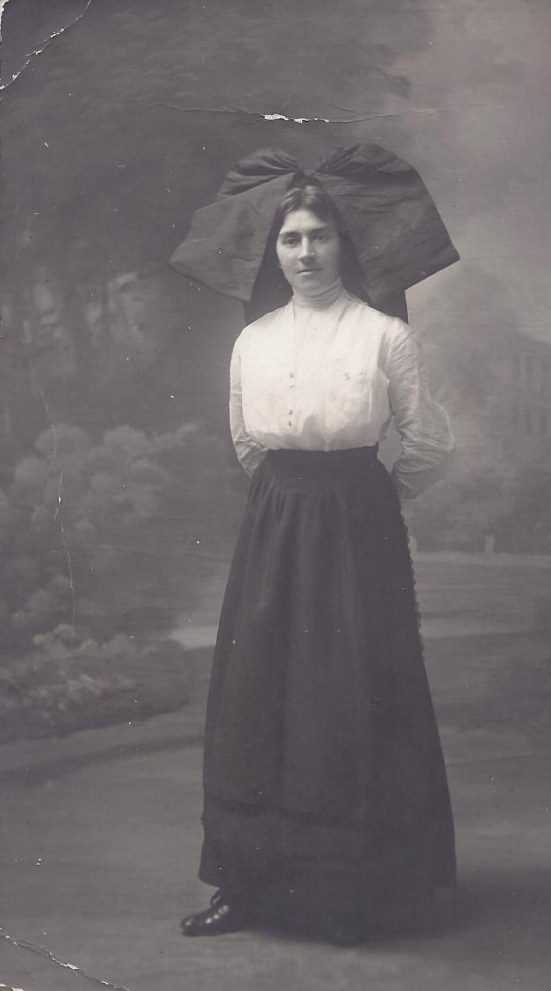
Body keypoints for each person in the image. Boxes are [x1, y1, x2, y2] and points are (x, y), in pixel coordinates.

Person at [177, 158, 457, 946]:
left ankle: (354, 893)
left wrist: (368, 503)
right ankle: (245, 884)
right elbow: (244, 441)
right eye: (291, 239)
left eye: (320, 236)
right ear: (275, 253)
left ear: (345, 244)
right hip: (275, 523)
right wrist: (289, 503)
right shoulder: (252, 342)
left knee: (347, 696)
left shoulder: (385, 335)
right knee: (256, 693)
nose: (304, 253)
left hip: (355, 522)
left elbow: (431, 441)